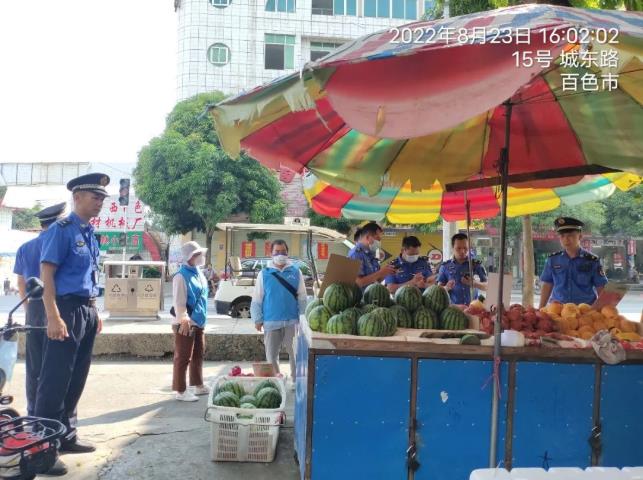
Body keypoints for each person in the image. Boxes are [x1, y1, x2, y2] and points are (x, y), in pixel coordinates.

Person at [36, 173, 109, 475]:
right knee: (54, 380)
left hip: (86, 311)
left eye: (103, 199)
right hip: (64, 309)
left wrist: (95, 313)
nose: (100, 203)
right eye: (96, 197)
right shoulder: (61, 230)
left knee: (76, 378)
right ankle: (42, 450)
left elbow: (88, 278)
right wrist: (53, 315)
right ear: (77, 197)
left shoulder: (89, 233)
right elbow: (47, 274)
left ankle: (66, 437)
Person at [13, 202, 66, 419]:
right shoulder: (62, 243)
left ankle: (33, 414)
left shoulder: (25, 248)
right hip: (59, 307)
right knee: (59, 366)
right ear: (60, 221)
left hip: (34, 307)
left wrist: (29, 310)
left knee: (34, 367)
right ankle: (54, 419)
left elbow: (21, 284)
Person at [251, 240, 306, 378]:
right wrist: (258, 319)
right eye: (277, 252)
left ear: (287, 254)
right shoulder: (264, 274)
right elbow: (257, 298)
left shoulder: (296, 271)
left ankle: (295, 380)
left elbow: (302, 297)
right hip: (271, 321)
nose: (280, 255)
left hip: (292, 321)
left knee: (295, 353)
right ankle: (276, 379)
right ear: (271, 254)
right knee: (271, 355)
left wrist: (303, 318)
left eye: (283, 252)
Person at [539, 217, 608, 307]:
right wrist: (541, 308)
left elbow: (601, 287)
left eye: (570, 235)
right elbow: (547, 284)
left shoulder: (592, 261)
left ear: (580, 236)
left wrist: (603, 310)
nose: (566, 239)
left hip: (584, 311)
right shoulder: (553, 260)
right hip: (558, 310)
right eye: (562, 236)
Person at [172, 241, 210, 402]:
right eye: (197, 254)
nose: (200, 257)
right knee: (183, 357)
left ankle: (198, 384)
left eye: (200, 253)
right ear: (190, 257)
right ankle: (180, 390)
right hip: (186, 322)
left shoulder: (198, 272)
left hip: (199, 321)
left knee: (198, 355)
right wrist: (184, 318)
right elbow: (179, 301)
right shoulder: (181, 276)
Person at [438, 233, 488, 305]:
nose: (462, 251)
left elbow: (487, 287)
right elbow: (438, 290)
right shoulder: (445, 267)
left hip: (474, 308)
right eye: (458, 248)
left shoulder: (476, 265)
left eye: (465, 248)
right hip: (454, 310)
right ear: (452, 248)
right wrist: (446, 287)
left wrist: (474, 283)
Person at [348, 222, 395, 288]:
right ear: (368, 237)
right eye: (377, 238)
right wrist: (380, 273)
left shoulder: (372, 254)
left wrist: (386, 272)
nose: (379, 242)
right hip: (361, 297)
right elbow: (358, 283)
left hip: (372, 295)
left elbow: (376, 281)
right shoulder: (356, 254)